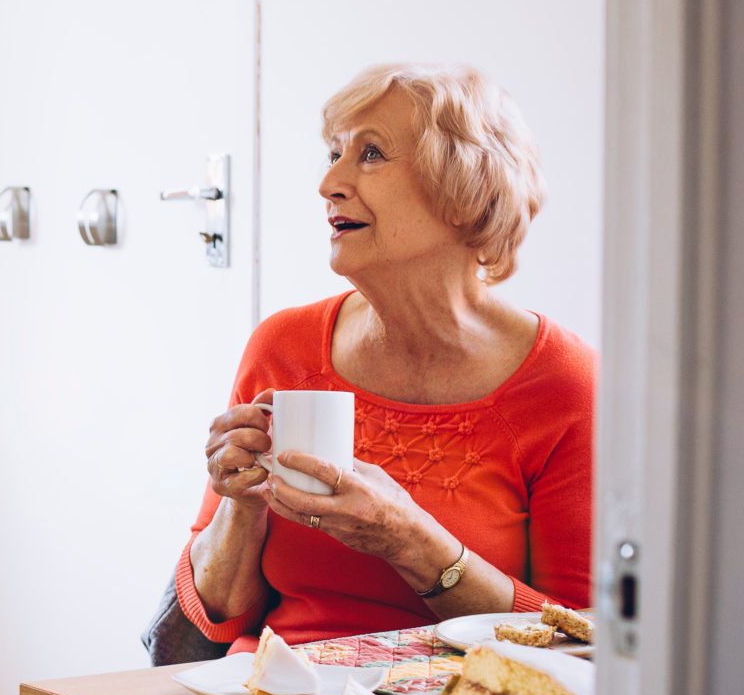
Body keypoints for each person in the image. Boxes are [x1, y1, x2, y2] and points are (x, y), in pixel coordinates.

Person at [177, 63, 595, 651]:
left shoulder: (567, 386)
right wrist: (239, 504)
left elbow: (577, 640)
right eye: (334, 153)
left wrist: (407, 539)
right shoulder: (283, 347)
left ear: (464, 191)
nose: (330, 184)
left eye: (371, 154)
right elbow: (218, 613)